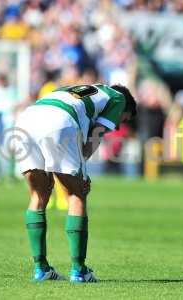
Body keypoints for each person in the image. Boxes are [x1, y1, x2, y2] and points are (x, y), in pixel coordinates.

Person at [14, 84, 137, 282]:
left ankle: (41, 269)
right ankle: (79, 271)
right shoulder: (118, 98)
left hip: (26, 120)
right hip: (59, 120)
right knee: (77, 193)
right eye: (124, 119)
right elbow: (96, 134)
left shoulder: (77, 90)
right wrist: (82, 173)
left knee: (38, 194)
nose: (119, 126)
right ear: (126, 109)